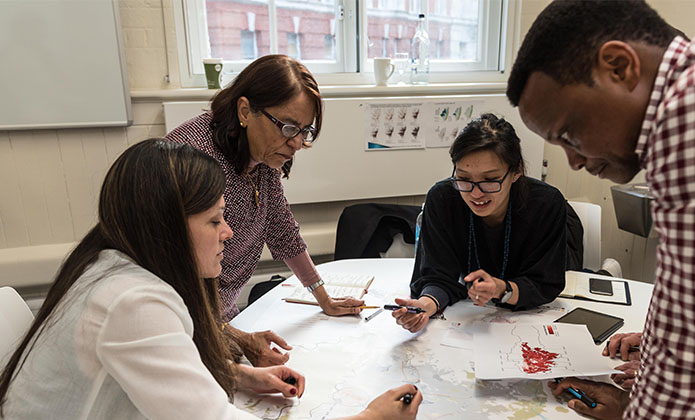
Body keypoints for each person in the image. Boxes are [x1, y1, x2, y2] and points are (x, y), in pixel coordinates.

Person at [0, 139, 422, 420]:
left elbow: (158, 369)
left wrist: (240, 376)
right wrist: (369, 418)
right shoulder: (132, 301)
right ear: (167, 228)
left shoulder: (111, 263)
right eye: (215, 220)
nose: (229, 233)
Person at [507, 1, 695, 419]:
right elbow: (691, 287)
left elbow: (693, 373)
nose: (574, 162)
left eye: (569, 134)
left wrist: (638, 406)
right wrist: (657, 345)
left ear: (619, 67)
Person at [165, 55, 364, 367]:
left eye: (304, 131)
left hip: (220, 316)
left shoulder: (262, 155)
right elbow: (173, 283)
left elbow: (281, 229)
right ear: (245, 111)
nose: (297, 143)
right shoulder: (194, 158)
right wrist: (238, 338)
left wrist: (323, 297)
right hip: (181, 325)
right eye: (288, 127)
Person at [392, 113, 580, 333]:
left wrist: (502, 289)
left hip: (525, 321)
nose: (476, 194)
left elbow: (545, 283)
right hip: (469, 320)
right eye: (464, 178)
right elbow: (437, 275)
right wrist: (425, 305)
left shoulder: (545, 204)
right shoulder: (443, 198)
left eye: (490, 180)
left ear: (516, 171)